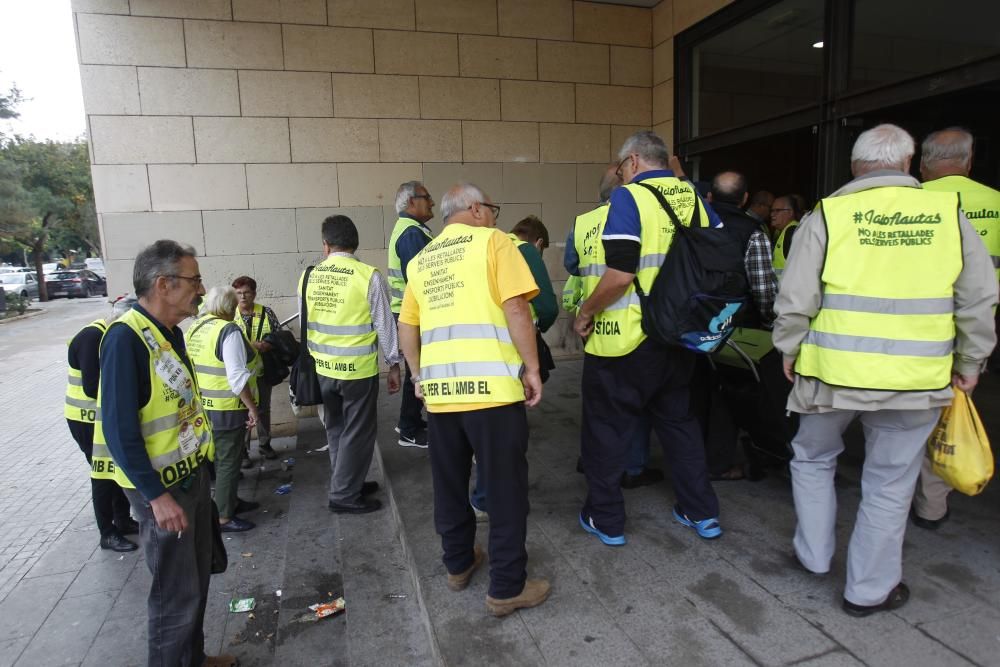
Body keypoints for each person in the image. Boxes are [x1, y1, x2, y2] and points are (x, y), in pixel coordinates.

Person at [772, 124, 996, 617]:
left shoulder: (829, 213)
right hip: (916, 380)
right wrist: (970, 362)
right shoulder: (948, 215)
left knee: (811, 458)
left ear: (855, 167)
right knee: (891, 482)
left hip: (832, 373)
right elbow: (978, 297)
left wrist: (788, 347)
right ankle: (869, 591)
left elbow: (795, 295)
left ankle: (812, 556)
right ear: (909, 163)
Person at [398, 182, 550, 617]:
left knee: (448, 484)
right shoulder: (495, 242)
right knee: (504, 491)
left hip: (442, 395)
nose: (495, 216)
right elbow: (517, 307)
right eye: (493, 208)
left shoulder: (423, 258)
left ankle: (459, 564)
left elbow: (408, 325)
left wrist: (417, 376)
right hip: (493, 395)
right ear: (476, 209)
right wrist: (533, 368)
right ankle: (506, 588)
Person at [574, 131, 722, 546]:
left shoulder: (628, 198)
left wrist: (585, 312)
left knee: (605, 431)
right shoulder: (694, 197)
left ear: (634, 162)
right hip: (680, 336)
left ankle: (606, 519)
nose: (620, 175)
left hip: (627, 340)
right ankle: (701, 511)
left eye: (621, 168)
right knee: (680, 424)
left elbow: (620, 274)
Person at [96, 240, 235, 667]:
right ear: (163, 284)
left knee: (194, 583)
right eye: (194, 280)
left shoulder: (170, 333)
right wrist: (157, 497)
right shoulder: (126, 340)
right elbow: (119, 431)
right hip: (164, 491)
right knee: (174, 595)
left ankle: (192, 657)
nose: (200, 288)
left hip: (190, 477)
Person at [914, 126, 1000, 529]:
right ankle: (931, 506)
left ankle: (896, 491)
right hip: (970, 333)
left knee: (906, 419)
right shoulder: (996, 203)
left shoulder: (911, 202)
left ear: (923, 165)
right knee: (948, 415)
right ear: (968, 160)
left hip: (912, 331)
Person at [565, 165, 660, 489]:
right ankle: (632, 466)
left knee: (600, 412)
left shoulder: (582, 223)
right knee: (641, 407)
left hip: (598, 331)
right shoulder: (643, 214)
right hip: (641, 329)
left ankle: (597, 469)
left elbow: (572, 265)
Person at [302, 215, 402, 514]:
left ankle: (346, 481)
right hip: (356, 371)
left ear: (326, 245)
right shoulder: (367, 276)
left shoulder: (309, 276)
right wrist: (394, 364)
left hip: (323, 369)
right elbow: (385, 325)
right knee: (358, 432)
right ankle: (344, 494)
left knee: (335, 428)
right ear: (355, 244)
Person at [696, 171, 780, 481]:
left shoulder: (693, 227)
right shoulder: (752, 232)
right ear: (745, 199)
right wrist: (771, 322)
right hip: (735, 328)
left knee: (696, 389)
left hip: (693, 323)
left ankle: (692, 455)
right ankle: (717, 462)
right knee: (728, 395)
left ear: (710, 197)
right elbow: (763, 288)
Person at [66, 295, 139, 553]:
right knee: (103, 475)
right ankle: (107, 533)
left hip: (101, 417)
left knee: (116, 471)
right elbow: (91, 386)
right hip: (86, 420)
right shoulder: (93, 337)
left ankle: (122, 519)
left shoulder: (107, 334)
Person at [186, 286, 261, 532]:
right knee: (229, 461)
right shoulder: (227, 330)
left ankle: (229, 501)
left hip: (203, 406)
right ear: (230, 307)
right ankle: (224, 517)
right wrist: (252, 408)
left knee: (220, 459)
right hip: (226, 408)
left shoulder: (195, 328)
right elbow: (237, 377)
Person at [387, 181, 435, 449]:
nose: (432, 203)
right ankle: (409, 428)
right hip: (413, 314)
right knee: (416, 370)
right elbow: (422, 280)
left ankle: (409, 421)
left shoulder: (410, 230)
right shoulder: (411, 234)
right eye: (427, 197)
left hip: (406, 312)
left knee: (414, 369)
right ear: (411, 202)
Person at [232, 275, 280, 465]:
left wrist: (268, 344)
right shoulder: (229, 314)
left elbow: (278, 335)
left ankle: (264, 444)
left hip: (262, 369)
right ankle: (243, 451)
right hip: (241, 372)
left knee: (263, 409)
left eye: (246, 293)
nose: (243, 297)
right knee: (244, 410)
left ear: (254, 294)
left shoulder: (266, 312)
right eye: (238, 293)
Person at [770, 194, 804, 280]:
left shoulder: (792, 232)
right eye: (772, 210)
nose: (772, 214)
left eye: (777, 210)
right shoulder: (782, 231)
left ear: (790, 212)